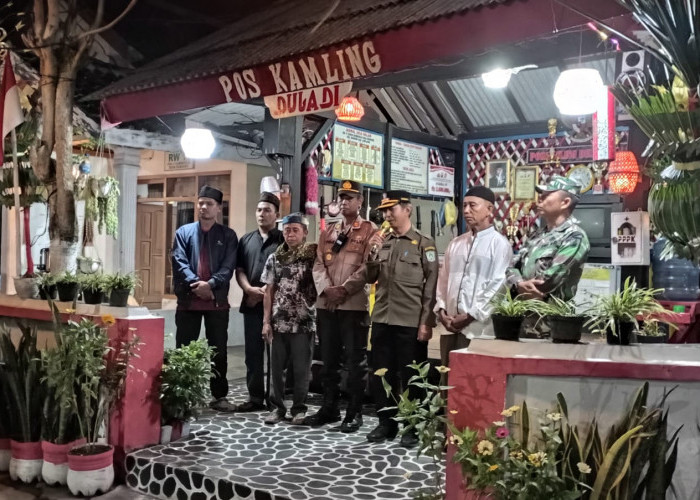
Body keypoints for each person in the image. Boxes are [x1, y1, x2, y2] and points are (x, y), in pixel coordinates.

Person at [365, 190, 439, 447]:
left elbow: (431, 286)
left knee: (412, 378)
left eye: (391, 209)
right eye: (384, 211)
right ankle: (386, 423)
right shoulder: (383, 241)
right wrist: (372, 253)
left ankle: (412, 426)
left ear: (407, 209)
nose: (387, 215)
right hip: (382, 318)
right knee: (380, 375)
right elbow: (370, 278)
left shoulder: (424, 243)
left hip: (409, 321)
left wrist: (426, 321)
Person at [304, 180, 376, 433]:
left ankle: (354, 413)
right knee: (329, 360)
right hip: (327, 304)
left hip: (353, 306)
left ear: (360, 202)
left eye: (350, 198)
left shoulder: (370, 231)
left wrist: (343, 290)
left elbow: (368, 267)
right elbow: (317, 264)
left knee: (355, 362)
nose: (344, 202)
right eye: (341, 198)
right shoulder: (329, 231)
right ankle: (329, 408)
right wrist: (327, 290)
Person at [172, 185, 238, 412]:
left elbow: (228, 266)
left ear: (219, 208)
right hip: (188, 301)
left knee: (218, 352)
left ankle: (219, 396)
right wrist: (197, 285)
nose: (203, 207)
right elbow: (179, 262)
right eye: (200, 203)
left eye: (209, 204)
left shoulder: (228, 236)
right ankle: (182, 396)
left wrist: (210, 285)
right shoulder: (183, 232)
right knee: (183, 351)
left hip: (216, 302)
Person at [435, 186, 512, 366]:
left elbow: (498, 287)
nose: (466, 211)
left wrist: (470, 315)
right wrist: (442, 311)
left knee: (473, 378)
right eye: (464, 206)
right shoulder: (456, 244)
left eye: (472, 205)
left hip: (478, 330)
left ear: (489, 209)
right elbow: (443, 281)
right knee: (447, 377)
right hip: (449, 327)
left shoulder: (499, 245)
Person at [261, 213, 318, 425]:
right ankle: (277, 408)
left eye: (295, 230)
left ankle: (299, 408)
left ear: (305, 232)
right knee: (276, 370)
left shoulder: (313, 257)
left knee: (302, 369)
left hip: (304, 322)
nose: (290, 234)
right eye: (287, 230)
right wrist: (266, 322)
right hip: (279, 322)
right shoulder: (274, 258)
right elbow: (269, 291)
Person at [234, 192, 284, 412]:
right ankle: (255, 397)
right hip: (252, 303)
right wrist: (248, 289)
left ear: (276, 215)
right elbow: (240, 270)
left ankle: (275, 400)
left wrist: (267, 292)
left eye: (267, 210)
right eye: (259, 210)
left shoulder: (283, 240)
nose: (262, 214)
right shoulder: (246, 240)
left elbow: (287, 272)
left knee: (276, 355)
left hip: (277, 307)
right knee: (253, 354)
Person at [507, 175, 590, 303]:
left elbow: (548, 281)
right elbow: (510, 267)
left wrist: (518, 287)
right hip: (521, 310)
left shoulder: (574, 237)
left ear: (565, 202)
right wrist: (518, 284)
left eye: (546, 195)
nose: (540, 198)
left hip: (551, 314)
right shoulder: (536, 235)